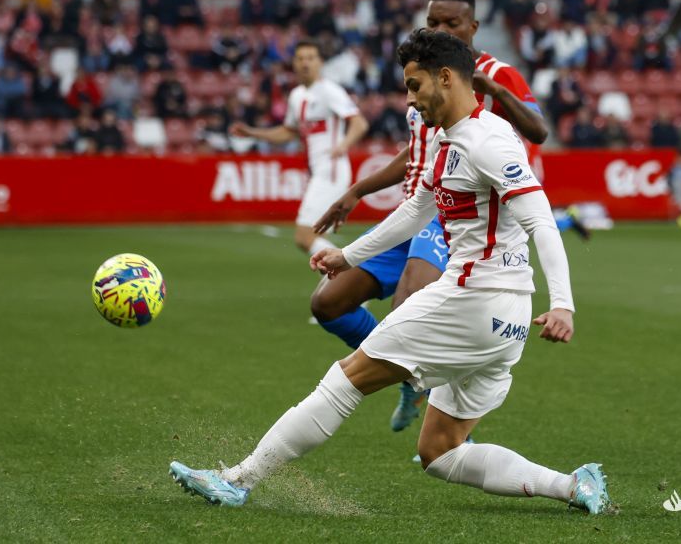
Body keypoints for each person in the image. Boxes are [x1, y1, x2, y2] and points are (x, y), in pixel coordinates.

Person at [169, 29, 614, 514]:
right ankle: (573, 485)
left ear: (446, 78)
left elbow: (542, 221)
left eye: (415, 85)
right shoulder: (449, 139)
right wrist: (347, 256)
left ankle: (238, 479)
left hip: (471, 298)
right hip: (507, 320)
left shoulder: (487, 142)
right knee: (440, 451)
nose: (410, 99)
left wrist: (564, 304)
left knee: (345, 380)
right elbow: (414, 212)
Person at [310, 0, 548, 434]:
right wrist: (356, 191)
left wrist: (494, 89)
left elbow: (539, 130)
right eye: (433, 21)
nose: (441, 28)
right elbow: (416, 151)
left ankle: (422, 393)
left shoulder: (494, 73)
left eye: (451, 23)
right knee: (328, 303)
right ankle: (411, 376)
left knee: (406, 306)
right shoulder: (421, 74)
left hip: (453, 212)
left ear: (473, 27)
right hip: (412, 207)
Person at [230, 40, 369, 255]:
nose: (305, 63)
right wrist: (253, 133)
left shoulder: (330, 91)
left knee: (304, 236)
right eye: (301, 58)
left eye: (310, 58)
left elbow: (359, 123)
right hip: (317, 172)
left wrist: (343, 145)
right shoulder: (297, 96)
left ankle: (352, 269)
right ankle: (345, 273)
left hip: (331, 172)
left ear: (320, 62)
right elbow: (288, 132)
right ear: (294, 63)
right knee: (318, 238)